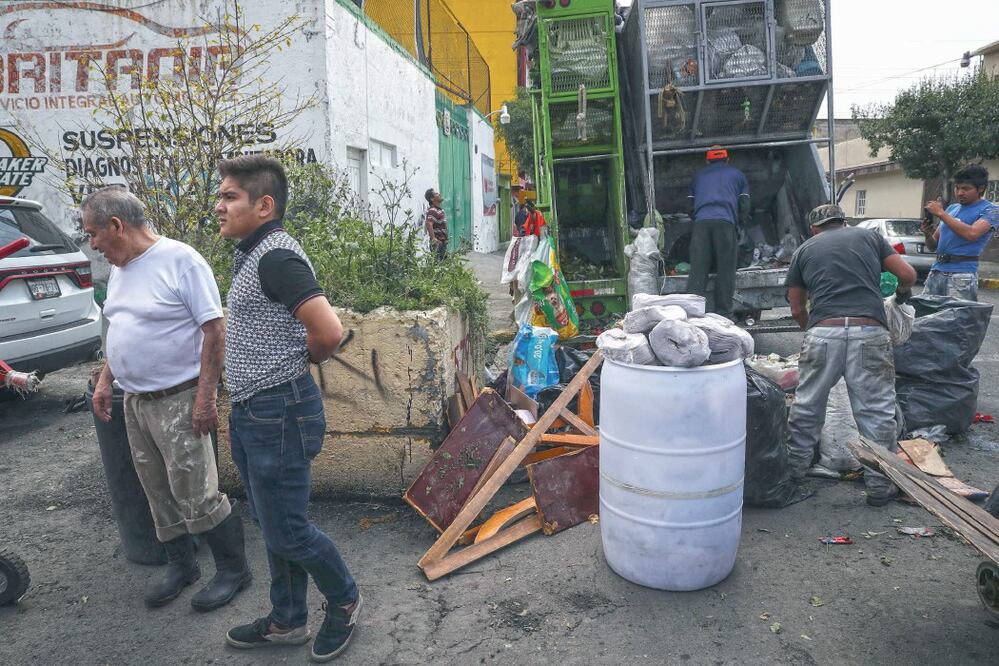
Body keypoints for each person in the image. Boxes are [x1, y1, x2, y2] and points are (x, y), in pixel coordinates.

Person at [215, 156, 360, 662]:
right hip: (255, 410)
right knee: (273, 521)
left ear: (264, 204)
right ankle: (287, 620)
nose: (219, 206)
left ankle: (343, 600)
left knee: (287, 528)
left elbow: (329, 332)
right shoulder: (253, 252)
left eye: (229, 196)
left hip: (279, 408)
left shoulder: (276, 256)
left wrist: (298, 360)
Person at [86, 187, 251, 612]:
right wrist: (107, 380)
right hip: (135, 400)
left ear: (116, 226)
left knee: (199, 491)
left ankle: (234, 570)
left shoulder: (181, 261)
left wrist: (205, 399)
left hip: (179, 399)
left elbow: (215, 331)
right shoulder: (121, 269)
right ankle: (182, 567)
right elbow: (118, 330)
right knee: (156, 491)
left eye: (93, 234)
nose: (92, 244)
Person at [784, 204, 917, 506]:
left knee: (807, 407)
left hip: (824, 331)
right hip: (869, 331)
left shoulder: (804, 250)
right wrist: (903, 295)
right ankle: (880, 487)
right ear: (843, 222)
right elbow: (907, 274)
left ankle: (793, 475)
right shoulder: (869, 237)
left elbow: (795, 308)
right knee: (877, 413)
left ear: (814, 228)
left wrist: (813, 330)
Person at [685, 145, 750, 318]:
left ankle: (692, 314)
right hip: (725, 223)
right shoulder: (738, 175)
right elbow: (744, 205)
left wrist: (699, 220)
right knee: (725, 269)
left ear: (707, 161)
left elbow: (689, 207)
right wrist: (738, 224)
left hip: (701, 225)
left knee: (698, 270)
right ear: (728, 159)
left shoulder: (698, 176)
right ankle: (724, 313)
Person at [920, 164, 999, 301]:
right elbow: (933, 246)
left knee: (958, 320)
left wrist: (941, 214)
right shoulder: (952, 208)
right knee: (926, 316)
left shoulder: (991, 210)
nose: (959, 192)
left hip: (962, 274)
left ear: (980, 189)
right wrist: (927, 233)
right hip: (937, 271)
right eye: (957, 188)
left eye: (965, 188)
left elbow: (972, 234)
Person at [424, 187, 448, 260]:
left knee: (443, 265)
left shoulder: (439, 210)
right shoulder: (433, 210)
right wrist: (434, 239)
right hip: (438, 244)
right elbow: (428, 223)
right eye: (436, 193)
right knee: (439, 266)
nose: (439, 194)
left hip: (442, 243)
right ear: (432, 199)